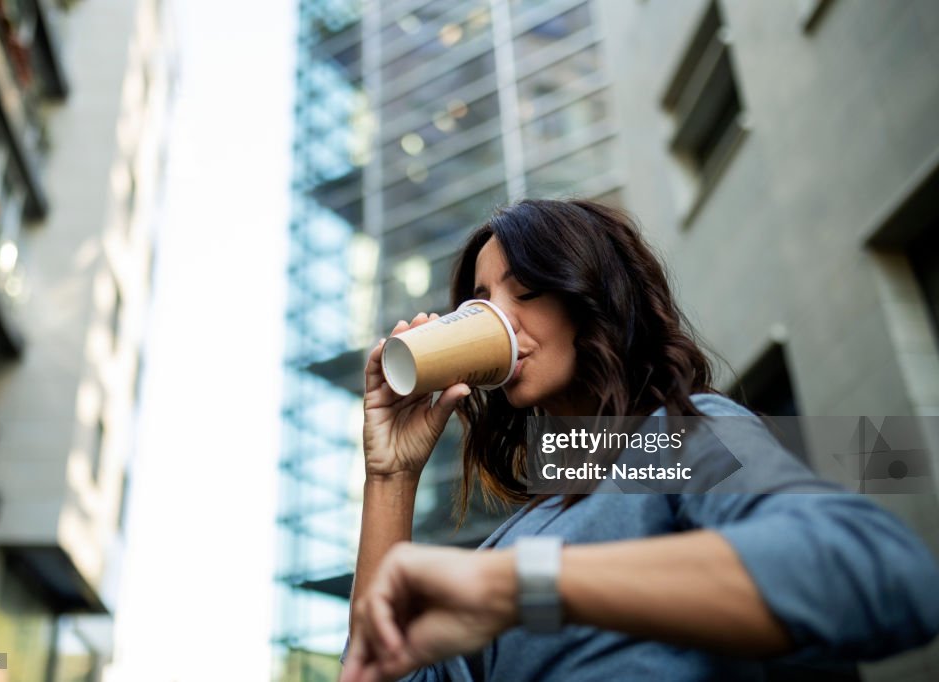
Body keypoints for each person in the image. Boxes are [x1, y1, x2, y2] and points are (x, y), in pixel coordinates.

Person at [341, 199, 939, 682]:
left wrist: (523, 586)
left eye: (526, 290)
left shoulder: (669, 443)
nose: (498, 317)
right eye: (480, 302)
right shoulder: (512, 538)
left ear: (590, 297)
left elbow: (879, 572)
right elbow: (378, 670)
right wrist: (391, 476)